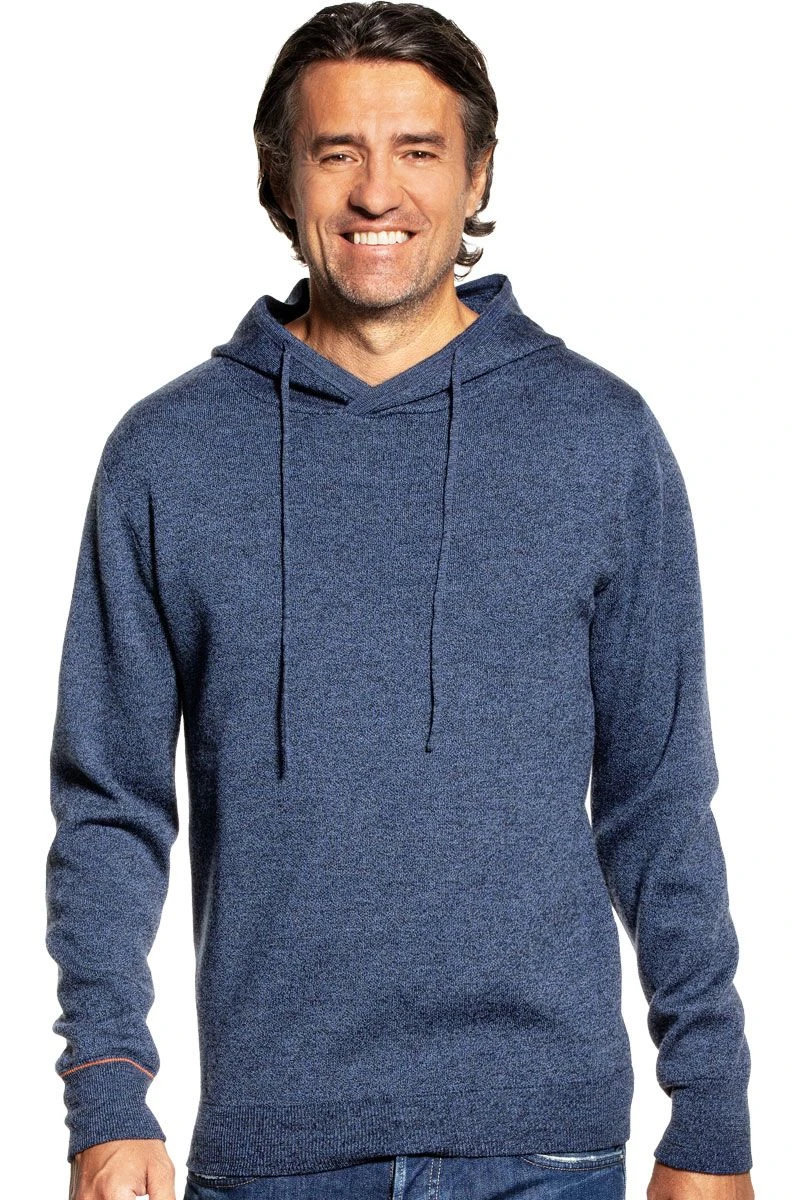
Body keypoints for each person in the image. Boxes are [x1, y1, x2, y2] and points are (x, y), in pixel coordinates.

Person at [45, 4, 755, 1199]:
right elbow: (109, 805)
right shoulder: (168, 455)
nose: (377, 192)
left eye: (417, 151)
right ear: (281, 179)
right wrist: (106, 1090)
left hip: (547, 1148)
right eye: (338, 153)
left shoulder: (598, 439)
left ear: (476, 174)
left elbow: (659, 803)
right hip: (271, 1152)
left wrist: (711, 1111)